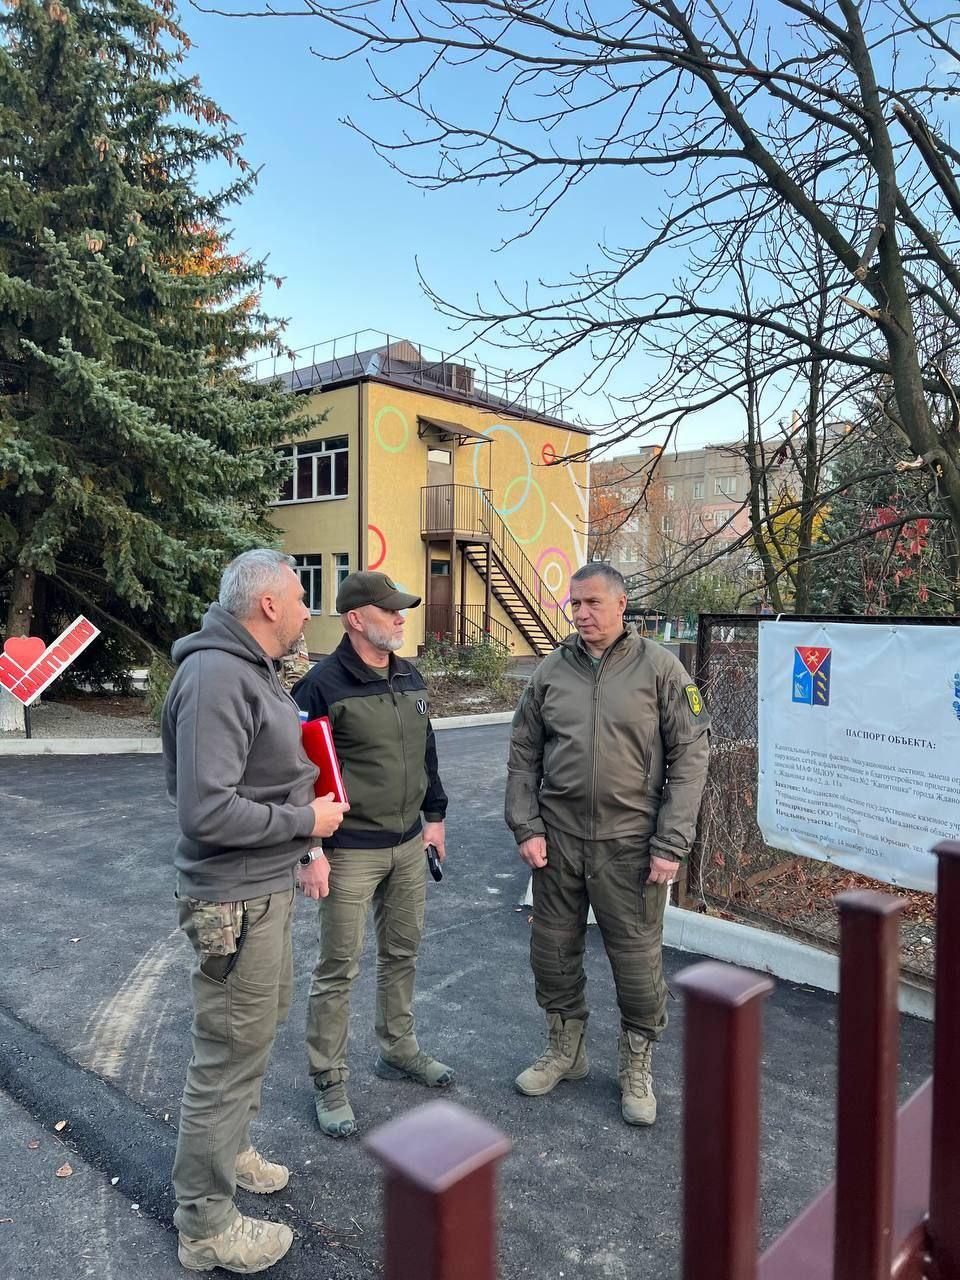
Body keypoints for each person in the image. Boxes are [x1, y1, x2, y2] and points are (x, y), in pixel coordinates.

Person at [162, 549, 348, 1274]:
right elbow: (205, 809)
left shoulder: (248, 672)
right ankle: (205, 1227)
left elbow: (261, 780)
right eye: (302, 597)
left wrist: (299, 849)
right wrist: (305, 826)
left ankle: (230, 1150)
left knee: (257, 1029)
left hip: (262, 887)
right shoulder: (214, 677)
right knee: (227, 1056)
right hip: (233, 897)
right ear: (267, 605)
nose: (308, 611)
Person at [505, 562, 710, 1126]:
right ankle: (565, 1050)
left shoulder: (661, 670)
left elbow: (691, 757)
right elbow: (523, 751)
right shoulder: (551, 671)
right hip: (560, 841)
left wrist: (671, 842)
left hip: (631, 846)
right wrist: (526, 825)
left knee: (638, 963)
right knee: (551, 951)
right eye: (574, 604)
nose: (581, 614)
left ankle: (636, 1063)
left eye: (592, 603)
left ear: (622, 604)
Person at [292, 570, 452, 1138]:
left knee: (402, 953)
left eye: (401, 609)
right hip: (349, 850)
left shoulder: (409, 675)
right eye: (390, 611)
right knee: (338, 968)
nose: (401, 617)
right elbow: (298, 776)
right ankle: (329, 1080)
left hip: (409, 843)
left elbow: (426, 752)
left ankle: (398, 1048)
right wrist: (311, 850)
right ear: (356, 618)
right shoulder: (320, 686)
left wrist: (434, 818)